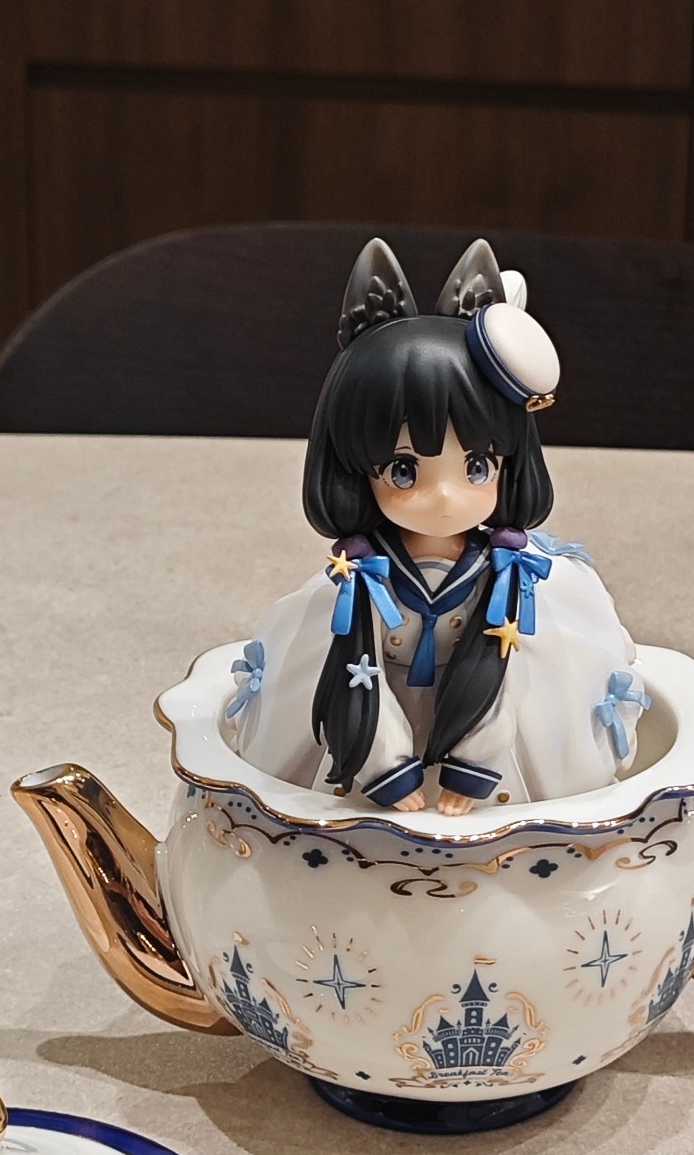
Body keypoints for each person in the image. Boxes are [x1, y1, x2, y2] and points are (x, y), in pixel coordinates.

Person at [227, 237, 648, 813]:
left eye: (478, 466)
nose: (446, 497)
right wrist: (387, 770)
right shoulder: (365, 575)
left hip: (488, 728)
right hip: (379, 718)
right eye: (403, 470)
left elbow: (503, 671)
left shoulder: (505, 569)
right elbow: (356, 670)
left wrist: (473, 768)